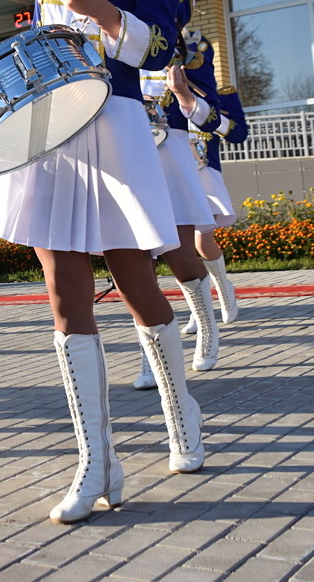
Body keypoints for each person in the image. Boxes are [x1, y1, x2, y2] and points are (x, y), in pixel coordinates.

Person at [0, 0, 204, 522]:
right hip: (47, 134)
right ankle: (96, 461)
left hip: (116, 124)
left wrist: (103, 11)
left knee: (137, 283)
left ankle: (181, 415)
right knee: (62, 294)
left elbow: (162, 48)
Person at [133, 38, 224, 381]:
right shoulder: (108, 50)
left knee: (182, 257)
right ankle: (151, 355)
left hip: (170, 157)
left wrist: (184, 94)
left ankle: (207, 330)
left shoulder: (190, 59)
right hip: (128, 153)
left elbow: (211, 120)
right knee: (136, 261)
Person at [185, 41, 250, 331]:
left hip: (204, 171)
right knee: (181, 246)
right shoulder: (160, 91)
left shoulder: (222, 95)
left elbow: (238, 134)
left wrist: (206, 114)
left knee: (202, 241)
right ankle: (198, 308)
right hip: (173, 169)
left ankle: (224, 289)